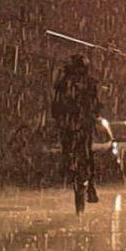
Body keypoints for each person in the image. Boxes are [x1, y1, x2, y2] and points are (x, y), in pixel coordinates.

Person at [52, 54, 102, 212]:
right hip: (72, 123)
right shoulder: (66, 83)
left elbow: (95, 104)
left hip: (78, 124)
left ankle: (89, 184)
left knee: (87, 152)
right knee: (83, 152)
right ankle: (88, 183)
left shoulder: (83, 83)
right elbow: (56, 104)